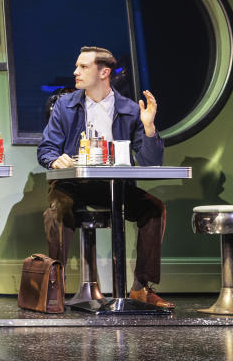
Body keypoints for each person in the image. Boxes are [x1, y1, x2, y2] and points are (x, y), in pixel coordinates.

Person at [37, 46, 173, 308]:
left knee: (154, 209)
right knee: (57, 211)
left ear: (104, 72)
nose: (76, 72)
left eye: (84, 67)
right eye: (77, 66)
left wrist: (148, 127)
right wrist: (55, 159)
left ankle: (141, 287)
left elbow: (151, 162)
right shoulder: (65, 105)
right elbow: (46, 149)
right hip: (71, 185)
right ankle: (54, 285)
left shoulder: (130, 109)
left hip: (115, 187)